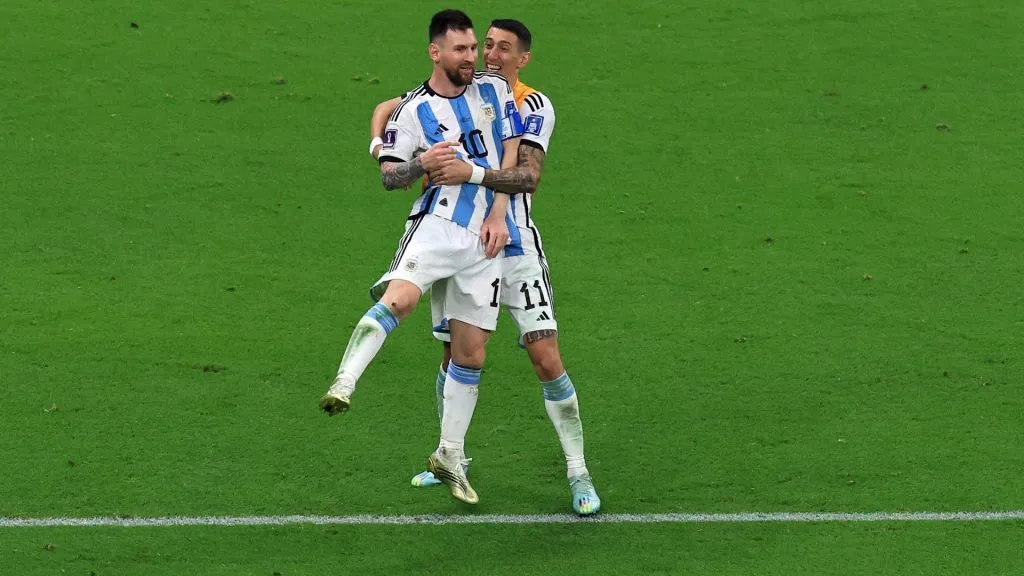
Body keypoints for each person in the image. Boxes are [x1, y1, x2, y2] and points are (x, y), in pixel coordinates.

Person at [368, 19, 600, 516]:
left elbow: (528, 177)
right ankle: (451, 458)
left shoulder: (531, 105)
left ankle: (578, 471)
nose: (490, 55)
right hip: (467, 244)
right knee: (455, 353)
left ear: (523, 59)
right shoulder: (472, 87)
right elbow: (389, 108)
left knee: (546, 356)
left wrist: (470, 174)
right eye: (486, 45)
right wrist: (379, 146)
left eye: (503, 49)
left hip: (515, 248)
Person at [320, 9, 525, 506]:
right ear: (436, 53)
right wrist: (420, 163)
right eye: (462, 50)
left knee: (470, 351)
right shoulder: (413, 112)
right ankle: (344, 382)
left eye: (474, 48)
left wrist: (500, 212)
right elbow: (391, 176)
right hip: (437, 225)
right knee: (401, 300)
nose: (472, 58)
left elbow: (512, 151)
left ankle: (450, 455)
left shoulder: (494, 90)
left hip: (486, 238)